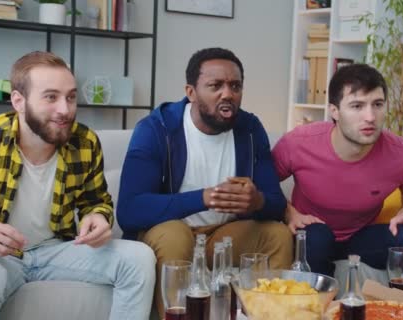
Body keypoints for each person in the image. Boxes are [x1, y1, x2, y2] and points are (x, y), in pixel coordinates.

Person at [0, 51, 155, 320]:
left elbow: (96, 201)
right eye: (51, 97)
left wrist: (98, 216)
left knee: (139, 258)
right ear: (18, 101)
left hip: (57, 250)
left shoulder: (84, 142)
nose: (65, 109)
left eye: (71, 97)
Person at [116, 47, 293, 316]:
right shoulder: (156, 128)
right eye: (216, 86)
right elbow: (129, 211)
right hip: (169, 233)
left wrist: (256, 201)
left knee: (277, 235)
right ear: (191, 92)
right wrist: (202, 198)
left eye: (235, 86)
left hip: (222, 236)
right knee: (176, 235)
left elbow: (276, 204)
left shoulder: (250, 129)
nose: (228, 94)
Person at [272, 63, 403, 294]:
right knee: (317, 237)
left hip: (359, 237)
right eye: (357, 106)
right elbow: (264, 185)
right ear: (334, 111)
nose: (370, 117)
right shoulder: (298, 143)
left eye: (377, 105)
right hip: (313, 233)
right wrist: (290, 213)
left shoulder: (402, 154)